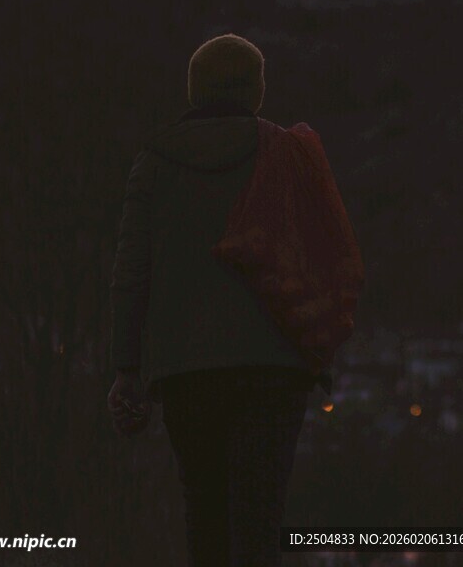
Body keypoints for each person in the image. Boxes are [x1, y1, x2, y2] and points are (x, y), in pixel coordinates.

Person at [107, 33, 336, 567]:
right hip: (274, 368)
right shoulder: (287, 153)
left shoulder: (156, 159)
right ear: (256, 90)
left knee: (204, 516)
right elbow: (320, 256)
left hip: (187, 370)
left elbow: (131, 271)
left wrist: (126, 368)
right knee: (260, 523)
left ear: (195, 90)